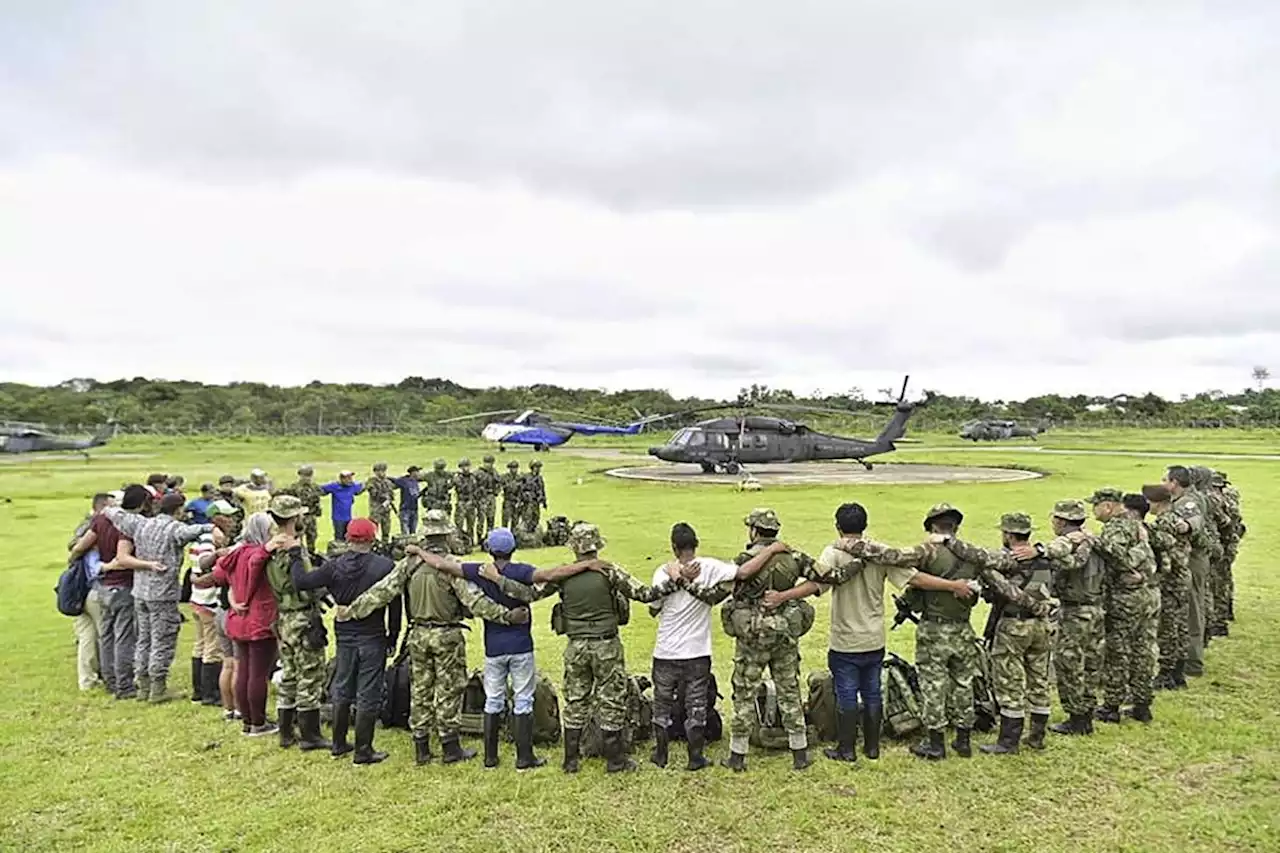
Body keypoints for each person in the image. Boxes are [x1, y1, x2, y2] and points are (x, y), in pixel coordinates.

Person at [335, 509, 530, 767]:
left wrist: (351, 610)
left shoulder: (410, 563)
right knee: (449, 690)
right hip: (447, 634)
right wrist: (508, 615)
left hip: (417, 634)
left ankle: (422, 748)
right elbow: (476, 602)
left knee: (420, 690)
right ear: (446, 534)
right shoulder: (451, 565)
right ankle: (450, 747)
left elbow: (381, 592)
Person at [417, 528, 601, 770]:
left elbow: (442, 564)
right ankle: (524, 757)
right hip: (521, 645)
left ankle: (490, 757)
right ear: (513, 549)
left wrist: (419, 550)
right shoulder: (521, 571)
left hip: (493, 646)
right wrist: (585, 565)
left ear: (489, 550)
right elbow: (553, 574)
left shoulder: (479, 570)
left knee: (493, 699)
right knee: (523, 698)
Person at [942, 513, 1056, 754]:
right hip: (1042, 625)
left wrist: (949, 540)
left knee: (1009, 682)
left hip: (1014, 625)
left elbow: (978, 556)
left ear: (1008, 535)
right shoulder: (1043, 559)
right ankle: (1037, 735)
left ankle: (1008, 741)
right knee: (1039, 680)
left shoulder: (1009, 558)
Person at [291, 518, 400, 763]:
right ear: (373, 539)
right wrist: (393, 635)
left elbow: (301, 582)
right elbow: (395, 604)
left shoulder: (334, 566)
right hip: (373, 633)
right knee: (368, 693)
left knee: (342, 687)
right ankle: (364, 749)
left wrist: (296, 555)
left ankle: (339, 743)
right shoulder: (385, 566)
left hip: (345, 634)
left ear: (348, 539)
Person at [645, 523, 743, 771]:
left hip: (666, 650)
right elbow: (740, 573)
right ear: (696, 544)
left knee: (662, 704)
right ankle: (695, 756)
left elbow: (653, 607)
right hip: (697, 651)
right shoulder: (709, 568)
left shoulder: (662, 572)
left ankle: (661, 754)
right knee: (696, 704)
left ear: (674, 547)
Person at [102, 491, 213, 703]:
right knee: (162, 640)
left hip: (140, 591)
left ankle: (143, 685)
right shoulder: (175, 529)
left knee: (144, 639)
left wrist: (107, 508)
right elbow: (194, 531)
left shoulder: (141, 524)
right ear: (178, 510)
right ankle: (157, 688)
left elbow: (116, 515)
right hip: (163, 593)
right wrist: (211, 527)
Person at [198, 513, 280, 736]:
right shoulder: (261, 555)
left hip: (237, 620)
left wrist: (234, 595)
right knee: (258, 674)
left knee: (243, 670)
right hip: (260, 620)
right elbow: (255, 563)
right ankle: (259, 722)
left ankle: (246, 720)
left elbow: (218, 574)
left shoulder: (236, 553)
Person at [262, 494, 332, 752]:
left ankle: (285, 732)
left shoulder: (268, 548)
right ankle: (310, 734)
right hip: (301, 616)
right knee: (310, 676)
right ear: (294, 518)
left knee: (289, 674)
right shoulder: (294, 550)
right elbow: (302, 587)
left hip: (283, 617)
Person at [1089, 488, 1159, 724]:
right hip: (1145, 595)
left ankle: (1111, 705)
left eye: (1095, 506)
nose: (1093, 512)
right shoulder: (1137, 525)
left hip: (1124, 598)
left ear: (1108, 506)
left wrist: (1094, 542)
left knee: (1118, 652)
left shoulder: (1116, 527)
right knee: (1142, 650)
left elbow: (1119, 558)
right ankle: (1142, 703)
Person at [1163, 466, 1211, 678]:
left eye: (1165, 479)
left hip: (1193, 559)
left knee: (1192, 609)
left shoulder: (1189, 501)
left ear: (1174, 482)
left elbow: (1194, 522)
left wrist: (1182, 526)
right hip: (1189, 558)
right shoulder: (1182, 500)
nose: (1163, 483)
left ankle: (1193, 662)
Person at [1144, 484, 1192, 691]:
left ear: (1157, 502)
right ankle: (1178, 671)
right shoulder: (1176, 519)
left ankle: (1166, 673)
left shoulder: (1163, 523)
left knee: (1168, 627)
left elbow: (1166, 557)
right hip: (1182, 577)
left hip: (1171, 580)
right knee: (1180, 625)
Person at [66, 493, 112, 691]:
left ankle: (87, 680)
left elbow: (73, 548)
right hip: (95, 587)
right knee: (105, 635)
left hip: (78, 589)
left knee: (86, 636)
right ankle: (111, 677)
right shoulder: (99, 525)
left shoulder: (85, 524)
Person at [277, 466, 324, 554]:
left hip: (311, 516)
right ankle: (298, 554)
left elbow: (319, 499)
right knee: (297, 537)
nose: (306, 478)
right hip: (299, 517)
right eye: (304, 475)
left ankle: (311, 554)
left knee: (312, 537)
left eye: (308, 475)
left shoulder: (315, 487)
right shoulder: (294, 487)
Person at [320, 470, 364, 542]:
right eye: (348, 478)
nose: (350, 480)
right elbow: (320, 489)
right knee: (339, 539)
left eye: (351, 478)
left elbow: (362, 487)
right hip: (338, 519)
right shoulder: (334, 486)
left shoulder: (352, 486)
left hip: (348, 518)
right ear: (342, 479)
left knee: (348, 538)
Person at [365, 463, 396, 543]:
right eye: (379, 471)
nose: (382, 473)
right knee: (373, 531)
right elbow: (373, 493)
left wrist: (390, 497)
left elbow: (392, 495)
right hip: (376, 510)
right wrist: (384, 496)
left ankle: (385, 546)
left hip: (386, 510)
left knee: (386, 531)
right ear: (375, 472)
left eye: (383, 470)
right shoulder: (371, 481)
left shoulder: (388, 482)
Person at [391, 466, 423, 535]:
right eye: (418, 472)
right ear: (413, 472)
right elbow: (394, 480)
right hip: (405, 509)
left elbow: (415, 496)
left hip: (414, 509)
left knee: (413, 531)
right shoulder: (404, 480)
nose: (419, 474)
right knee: (405, 531)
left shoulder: (415, 482)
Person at [453, 458, 478, 546]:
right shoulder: (457, 478)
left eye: (467, 466)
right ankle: (458, 542)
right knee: (459, 524)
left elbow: (475, 490)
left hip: (471, 503)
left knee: (471, 524)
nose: (465, 468)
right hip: (461, 503)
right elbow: (461, 488)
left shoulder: (473, 477)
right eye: (463, 466)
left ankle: (470, 541)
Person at [475, 455, 501, 538]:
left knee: (491, 518)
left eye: (490, 463)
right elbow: (473, 485)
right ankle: (479, 537)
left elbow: (499, 483)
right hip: (482, 498)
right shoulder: (478, 473)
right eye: (487, 463)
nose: (488, 465)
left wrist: (496, 491)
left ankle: (489, 536)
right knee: (481, 519)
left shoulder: (494, 472)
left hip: (491, 497)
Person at [520, 460, 547, 534]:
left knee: (536, 518)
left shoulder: (540, 478)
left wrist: (544, 502)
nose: (538, 469)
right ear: (532, 468)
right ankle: (526, 534)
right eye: (536, 467)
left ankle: (532, 533)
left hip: (536, 501)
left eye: (539, 467)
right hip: (528, 502)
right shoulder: (526, 477)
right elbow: (521, 489)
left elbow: (542, 490)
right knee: (527, 518)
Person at [500, 460, 522, 529]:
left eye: (515, 468)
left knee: (515, 522)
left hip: (516, 502)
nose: (514, 470)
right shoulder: (504, 477)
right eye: (512, 468)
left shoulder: (520, 478)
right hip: (508, 501)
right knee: (505, 520)